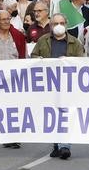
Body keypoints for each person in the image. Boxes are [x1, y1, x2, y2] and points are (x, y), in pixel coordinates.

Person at [31, 14, 84, 159]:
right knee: (52, 114)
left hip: (68, 85)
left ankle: (65, 146)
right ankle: (56, 144)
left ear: (66, 24)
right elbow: (33, 55)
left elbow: (82, 62)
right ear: (51, 26)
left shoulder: (75, 42)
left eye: (61, 22)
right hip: (48, 84)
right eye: (55, 23)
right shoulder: (43, 40)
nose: (58, 25)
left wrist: (69, 61)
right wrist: (39, 60)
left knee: (65, 114)